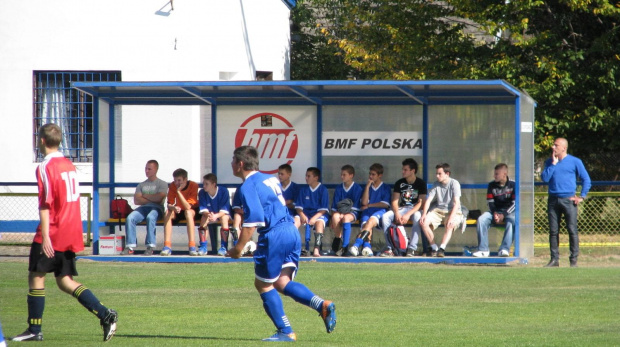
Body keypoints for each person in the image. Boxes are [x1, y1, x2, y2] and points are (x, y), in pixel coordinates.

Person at [12, 123, 117, 342]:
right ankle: (104, 313)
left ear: (41, 141)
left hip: (54, 230)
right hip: (71, 229)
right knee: (64, 280)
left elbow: (45, 203)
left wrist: (47, 237)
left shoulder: (45, 166)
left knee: (36, 275)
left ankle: (34, 330)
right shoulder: (69, 164)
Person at [229, 146, 336, 342]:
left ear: (241, 164)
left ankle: (286, 331)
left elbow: (254, 221)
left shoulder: (247, 186)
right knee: (281, 282)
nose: (231, 164)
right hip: (291, 231)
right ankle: (322, 305)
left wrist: (237, 248)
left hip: (274, 235)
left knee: (262, 284)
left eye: (233, 161)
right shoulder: (269, 178)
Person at [541, 137, 591, 268]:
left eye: (556, 145)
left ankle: (573, 260)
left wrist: (582, 196)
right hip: (553, 200)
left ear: (564, 148)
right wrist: (553, 163)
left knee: (572, 230)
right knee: (553, 231)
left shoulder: (575, 161)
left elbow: (586, 179)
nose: (553, 147)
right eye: (553, 145)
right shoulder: (550, 162)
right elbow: (545, 178)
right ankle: (554, 260)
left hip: (569, 201)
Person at [380, 158, 428, 257]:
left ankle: (411, 248)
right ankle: (390, 248)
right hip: (401, 209)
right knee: (385, 217)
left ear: (413, 171)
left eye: (405, 170)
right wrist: (397, 213)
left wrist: (407, 215)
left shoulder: (421, 183)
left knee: (417, 217)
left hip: (414, 209)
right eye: (403, 169)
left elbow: (421, 203)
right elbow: (395, 201)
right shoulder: (399, 183)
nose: (403, 172)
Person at [121, 160, 168, 255]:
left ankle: (150, 246)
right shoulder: (141, 185)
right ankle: (130, 246)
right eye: (146, 168)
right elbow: (137, 200)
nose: (146, 171)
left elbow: (159, 198)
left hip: (157, 208)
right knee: (130, 218)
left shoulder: (162, 184)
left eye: (149, 169)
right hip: (143, 208)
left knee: (150, 217)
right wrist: (152, 197)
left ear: (156, 169)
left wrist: (144, 195)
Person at [420, 163, 466, 257]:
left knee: (450, 224)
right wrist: (424, 214)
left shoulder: (454, 183)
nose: (437, 176)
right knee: (423, 223)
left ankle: (441, 249)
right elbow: (428, 200)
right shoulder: (436, 184)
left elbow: (456, 203)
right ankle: (434, 248)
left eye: (439, 173)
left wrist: (451, 218)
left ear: (447, 174)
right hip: (438, 210)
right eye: (436, 173)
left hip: (454, 211)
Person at [472, 163, 516, 257]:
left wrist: (503, 214)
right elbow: (490, 202)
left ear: (504, 174)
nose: (494, 176)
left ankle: (504, 249)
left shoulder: (513, 185)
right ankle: (483, 250)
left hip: (509, 212)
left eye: (497, 174)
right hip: (495, 211)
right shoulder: (491, 185)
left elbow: (515, 203)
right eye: (494, 173)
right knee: (481, 219)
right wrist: (495, 213)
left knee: (512, 220)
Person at [348, 163, 391, 257]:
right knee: (366, 225)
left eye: (373, 174)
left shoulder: (385, 187)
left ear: (380, 175)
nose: (370, 176)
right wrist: (367, 186)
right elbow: (363, 203)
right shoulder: (368, 187)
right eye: (370, 174)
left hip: (380, 211)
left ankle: (356, 245)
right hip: (367, 211)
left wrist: (369, 205)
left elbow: (384, 204)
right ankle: (367, 247)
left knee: (370, 221)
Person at [161, 168, 199, 256]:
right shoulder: (172, 185)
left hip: (191, 210)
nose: (176, 183)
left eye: (179, 180)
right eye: (175, 180)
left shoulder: (193, 185)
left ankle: (192, 246)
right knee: (167, 213)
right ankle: (167, 246)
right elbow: (169, 204)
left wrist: (178, 192)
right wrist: (173, 207)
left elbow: (188, 206)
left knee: (188, 213)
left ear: (185, 179)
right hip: (178, 210)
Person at [295, 167, 330, 257]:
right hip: (306, 214)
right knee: (295, 221)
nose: (306, 178)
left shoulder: (323, 190)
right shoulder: (303, 190)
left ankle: (316, 249)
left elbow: (323, 210)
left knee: (319, 223)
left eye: (308, 176)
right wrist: (302, 215)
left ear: (316, 177)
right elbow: (298, 208)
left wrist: (314, 218)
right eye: (306, 176)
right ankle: (293, 247)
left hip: (318, 215)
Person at [329, 165, 363, 256]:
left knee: (346, 218)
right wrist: (337, 213)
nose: (342, 177)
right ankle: (338, 240)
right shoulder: (339, 188)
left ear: (351, 175)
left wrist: (343, 213)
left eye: (344, 174)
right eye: (341, 174)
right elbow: (334, 207)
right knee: (335, 217)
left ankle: (345, 246)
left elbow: (356, 207)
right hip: (340, 212)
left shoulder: (357, 188)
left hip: (353, 213)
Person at [197, 173, 233, 256]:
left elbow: (225, 210)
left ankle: (224, 247)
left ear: (214, 184)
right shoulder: (202, 192)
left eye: (206, 184)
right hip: (209, 215)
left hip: (221, 214)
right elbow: (203, 209)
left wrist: (216, 216)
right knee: (203, 218)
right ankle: (203, 247)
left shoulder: (223, 191)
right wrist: (209, 215)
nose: (204, 186)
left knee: (224, 218)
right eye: (203, 184)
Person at [278, 164, 301, 229]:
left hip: (293, 214)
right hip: (279, 214)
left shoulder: (296, 188)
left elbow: (296, 206)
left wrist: (283, 203)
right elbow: (275, 204)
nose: (279, 176)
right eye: (279, 173)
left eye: (282, 174)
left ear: (289, 175)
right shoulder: (276, 186)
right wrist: (289, 201)